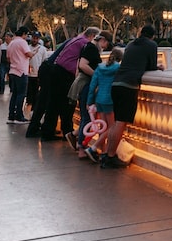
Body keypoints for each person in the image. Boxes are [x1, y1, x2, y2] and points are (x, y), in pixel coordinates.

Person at [101, 24, 163, 169]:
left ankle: (107, 154)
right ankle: (110, 157)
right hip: (129, 86)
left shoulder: (130, 44)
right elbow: (151, 65)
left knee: (116, 122)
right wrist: (158, 67)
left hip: (116, 84)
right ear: (152, 36)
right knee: (121, 123)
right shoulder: (151, 45)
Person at [39, 26, 100, 142]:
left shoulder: (76, 39)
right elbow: (81, 64)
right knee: (67, 105)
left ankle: (48, 132)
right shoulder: (85, 44)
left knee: (53, 104)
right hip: (65, 74)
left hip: (56, 70)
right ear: (92, 36)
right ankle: (67, 131)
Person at [68, 30, 113, 158]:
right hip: (86, 85)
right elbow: (83, 65)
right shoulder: (92, 49)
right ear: (102, 40)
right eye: (106, 44)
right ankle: (82, 148)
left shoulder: (86, 46)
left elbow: (78, 65)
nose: (105, 47)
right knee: (87, 117)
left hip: (81, 84)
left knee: (86, 116)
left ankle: (77, 140)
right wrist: (96, 76)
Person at [84, 46, 122, 162]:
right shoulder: (118, 68)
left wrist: (89, 101)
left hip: (99, 99)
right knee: (112, 127)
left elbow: (92, 86)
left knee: (103, 127)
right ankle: (94, 148)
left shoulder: (100, 67)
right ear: (120, 59)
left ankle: (103, 152)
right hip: (109, 100)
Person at [5, 26, 33, 124]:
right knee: (21, 94)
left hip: (13, 70)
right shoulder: (22, 42)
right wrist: (33, 53)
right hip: (21, 71)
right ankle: (19, 116)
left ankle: (11, 116)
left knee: (14, 94)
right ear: (24, 34)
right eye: (26, 35)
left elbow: (8, 58)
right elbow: (29, 54)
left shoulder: (11, 43)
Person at [26, 32, 48, 109]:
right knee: (29, 92)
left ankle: (34, 107)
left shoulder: (42, 49)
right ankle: (29, 104)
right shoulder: (27, 48)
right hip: (28, 74)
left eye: (36, 38)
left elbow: (44, 61)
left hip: (37, 75)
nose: (34, 40)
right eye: (33, 38)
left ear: (38, 39)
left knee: (36, 92)